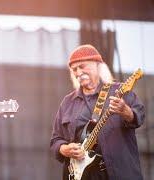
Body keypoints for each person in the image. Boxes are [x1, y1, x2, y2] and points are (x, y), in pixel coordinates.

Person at [50, 44, 145, 180]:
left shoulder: (120, 91)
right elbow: (55, 140)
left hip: (118, 173)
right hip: (79, 175)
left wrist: (126, 111)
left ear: (98, 65)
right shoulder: (68, 102)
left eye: (82, 66)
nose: (78, 73)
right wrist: (63, 149)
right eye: (74, 69)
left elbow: (139, 116)